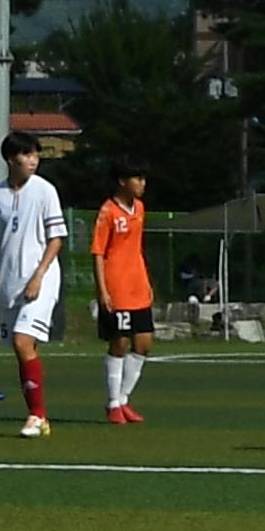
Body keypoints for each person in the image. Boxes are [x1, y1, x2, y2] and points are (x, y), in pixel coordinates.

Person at [0, 130, 71, 437]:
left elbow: (56, 239)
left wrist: (39, 276)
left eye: (36, 154)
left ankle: (36, 415)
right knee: (23, 348)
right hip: (10, 282)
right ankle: (39, 416)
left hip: (42, 278)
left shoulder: (45, 191)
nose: (34, 160)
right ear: (10, 159)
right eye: (27, 155)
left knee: (22, 341)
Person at [90, 163, 156, 424]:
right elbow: (97, 252)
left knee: (144, 343)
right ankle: (113, 403)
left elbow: (136, 248)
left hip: (137, 285)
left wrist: (146, 279)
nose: (142, 184)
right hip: (116, 286)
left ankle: (124, 398)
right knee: (119, 343)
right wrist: (102, 290)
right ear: (121, 181)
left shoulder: (139, 209)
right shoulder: (107, 212)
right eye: (137, 178)